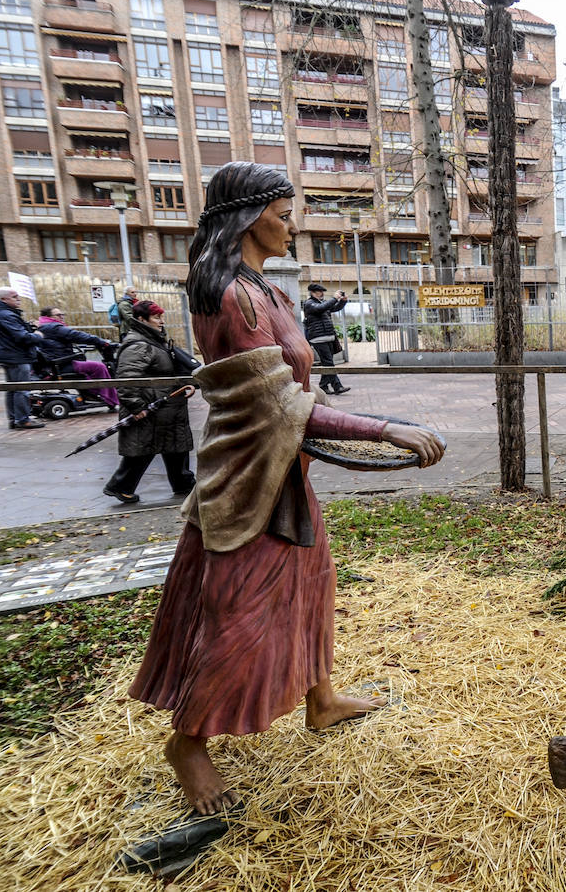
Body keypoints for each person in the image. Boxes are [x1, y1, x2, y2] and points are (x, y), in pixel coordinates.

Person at [127, 162, 444, 816]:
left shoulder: (269, 291)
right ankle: (188, 744)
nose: (291, 223)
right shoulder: (235, 299)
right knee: (239, 616)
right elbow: (277, 407)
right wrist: (384, 430)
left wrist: (362, 427)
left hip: (283, 472)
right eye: (282, 211)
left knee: (312, 584)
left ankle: (321, 701)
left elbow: (297, 398)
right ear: (248, 216)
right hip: (249, 482)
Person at [102, 301, 196, 504]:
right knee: (142, 451)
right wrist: (136, 407)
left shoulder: (153, 339)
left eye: (161, 317)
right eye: (156, 317)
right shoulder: (138, 344)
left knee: (176, 448)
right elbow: (127, 379)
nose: (161, 321)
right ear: (141, 320)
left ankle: (184, 485)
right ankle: (120, 487)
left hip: (167, 408)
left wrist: (183, 384)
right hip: (151, 409)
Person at [0, 287, 46, 429]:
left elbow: (13, 333)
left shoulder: (0, 314)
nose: (18, 299)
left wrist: (28, 326)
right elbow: (22, 337)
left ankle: (14, 419)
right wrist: (37, 335)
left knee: (12, 388)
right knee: (21, 388)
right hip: (17, 357)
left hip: (9, 356)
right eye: (14, 296)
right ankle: (23, 420)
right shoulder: (7, 315)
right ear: (3, 299)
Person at [36, 306, 119, 409]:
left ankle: (90, 393)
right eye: (58, 315)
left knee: (88, 366)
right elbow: (77, 335)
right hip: (62, 364)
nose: (62, 317)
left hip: (54, 364)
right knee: (99, 366)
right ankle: (108, 398)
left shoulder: (42, 326)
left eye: (62, 314)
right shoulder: (54, 327)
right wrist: (101, 341)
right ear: (48, 317)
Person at [302, 283, 350, 395]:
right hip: (318, 338)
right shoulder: (309, 304)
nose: (322, 293)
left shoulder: (322, 303)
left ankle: (323, 385)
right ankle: (337, 387)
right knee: (328, 362)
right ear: (313, 292)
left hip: (328, 337)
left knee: (326, 362)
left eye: (322, 291)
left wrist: (343, 301)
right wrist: (334, 298)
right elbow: (321, 308)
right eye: (320, 291)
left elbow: (334, 308)